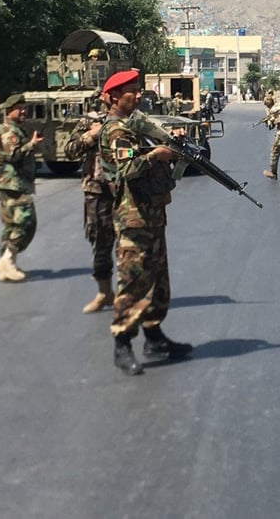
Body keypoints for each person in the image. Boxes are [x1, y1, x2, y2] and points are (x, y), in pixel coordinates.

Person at [98, 69, 192, 376]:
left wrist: (169, 144)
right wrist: (158, 155)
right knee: (133, 281)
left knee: (157, 280)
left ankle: (154, 336)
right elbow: (127, 168)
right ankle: (122, 343)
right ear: (113, 97)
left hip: (151, 215)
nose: (138, 95)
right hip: (132, 219)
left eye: (139, 90)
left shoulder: (136, 128)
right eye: (131, 92)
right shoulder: (115, 131)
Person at [64, 100, 116, 313]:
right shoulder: (89, 121)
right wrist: (91, 135)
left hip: (127, 189)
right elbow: (69, 150)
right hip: (98, 191)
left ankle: (132, 294)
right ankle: (105, 292)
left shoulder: (133, 121)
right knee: (100, 241)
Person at [0, 93, 43, 283]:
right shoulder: (9, 131)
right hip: (14, 184)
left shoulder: (15, 129)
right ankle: (7, 260)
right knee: (25, 222)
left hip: (14, 183)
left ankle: (7, 262)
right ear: (9, 110)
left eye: (25, 108)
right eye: (19, 108)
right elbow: (13, 155)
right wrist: (31, 144)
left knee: (11, 225)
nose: (24, 111)